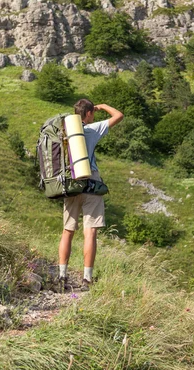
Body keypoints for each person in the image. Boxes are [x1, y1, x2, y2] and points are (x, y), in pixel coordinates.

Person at [57, 99, 124, 291]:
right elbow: (119, 116)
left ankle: (62, 277)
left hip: (71, 182)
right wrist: (102, 106)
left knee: (68, 230)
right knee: (90, 231)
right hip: (91, 180)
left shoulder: (65, 131)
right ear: (88, 114)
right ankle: (87, 279)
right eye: (92, 112)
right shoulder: (93, 129)